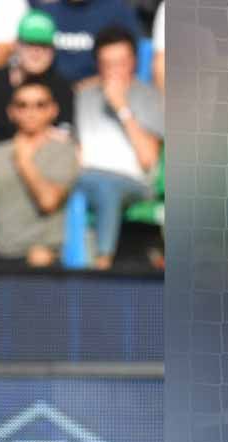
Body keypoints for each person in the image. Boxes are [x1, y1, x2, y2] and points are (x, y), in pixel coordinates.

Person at [73, 26, 162, 270]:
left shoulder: (150, 98)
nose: (114, 71)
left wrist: (122, 108)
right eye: (106, 64)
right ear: (97, 65)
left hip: (133, 182)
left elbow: (149, 160)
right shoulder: (84, 95)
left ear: (133, 62)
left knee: (106, 186)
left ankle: (102, 264)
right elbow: (78, 151)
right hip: (85, 175)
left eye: (120, 63)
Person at [0, 78, 79, 268]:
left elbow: (48, 202)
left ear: (52, 110)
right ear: (12, 112)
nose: (31, 112)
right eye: (22, 105)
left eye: (40, 105)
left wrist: (23, 162)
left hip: (39, 257)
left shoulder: (64, 151)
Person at [0, 10, 75, 150]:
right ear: (16, 45)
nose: (36, 52)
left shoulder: (62, 88)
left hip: (43, 162)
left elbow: (64, 141)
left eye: (44, 46)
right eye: (30, 44)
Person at [32, 0, 141, 83]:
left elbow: (128, 66)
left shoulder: (117, 11)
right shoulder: (45, 11)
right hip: (50, 95)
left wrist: (88, 86)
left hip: (100, 91)